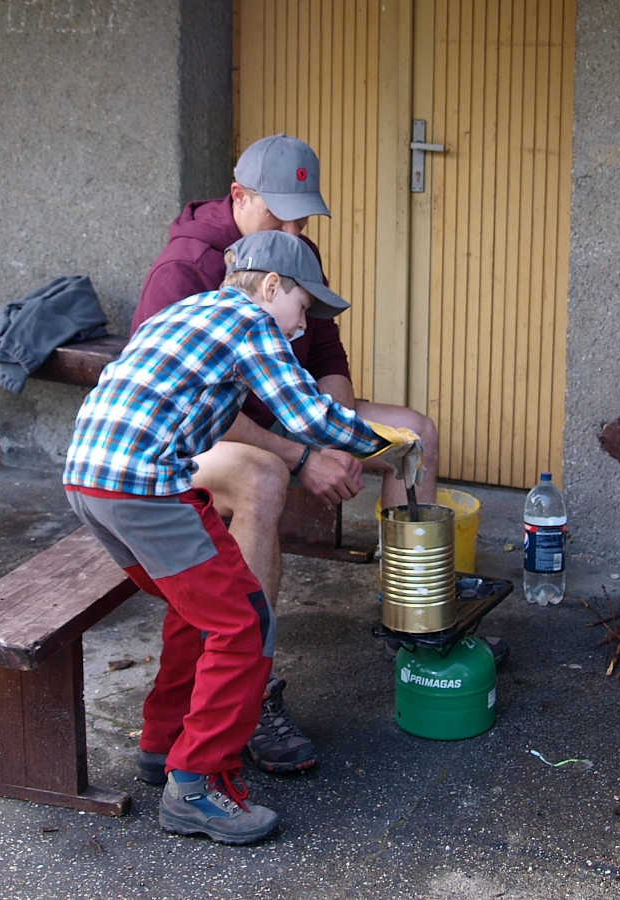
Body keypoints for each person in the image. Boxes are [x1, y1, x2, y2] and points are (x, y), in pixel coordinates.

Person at [65, 230, 417, 844]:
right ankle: (198, 784)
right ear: (272, 286)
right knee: (246, 624)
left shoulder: (190, 310)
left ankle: (163, 741)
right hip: (147, 487)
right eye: (303, 308)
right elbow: (306, 413)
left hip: (90, 480)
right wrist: (389, 446)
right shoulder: (250, 321)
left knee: (197, 608)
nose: (303, 327)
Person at [131, 134, 442, 779]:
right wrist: (301, 453)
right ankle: (256, 687)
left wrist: (335, 433)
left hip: (290, 414)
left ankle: (415, 629)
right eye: (281, 214)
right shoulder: (185, 266)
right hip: (204, 435)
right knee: (262, 477)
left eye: (304, 215)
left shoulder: (293, 251)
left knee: (414, 433)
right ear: (239, 197)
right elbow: (171, 395)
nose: (296, 228)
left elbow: (326, 355)